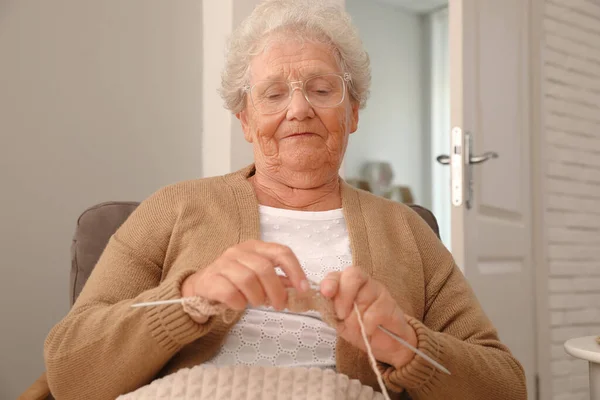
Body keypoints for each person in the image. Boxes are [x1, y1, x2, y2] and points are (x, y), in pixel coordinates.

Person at [44, 0, 527, 399]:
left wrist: (406, 344)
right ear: (246, 120)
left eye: (322, 89)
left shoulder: (406, 229)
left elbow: (505, 385)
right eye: (273, 94)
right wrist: (189, 298)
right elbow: (69, 371)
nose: (299, 109)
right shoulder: (173, 207)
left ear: (353, 111)